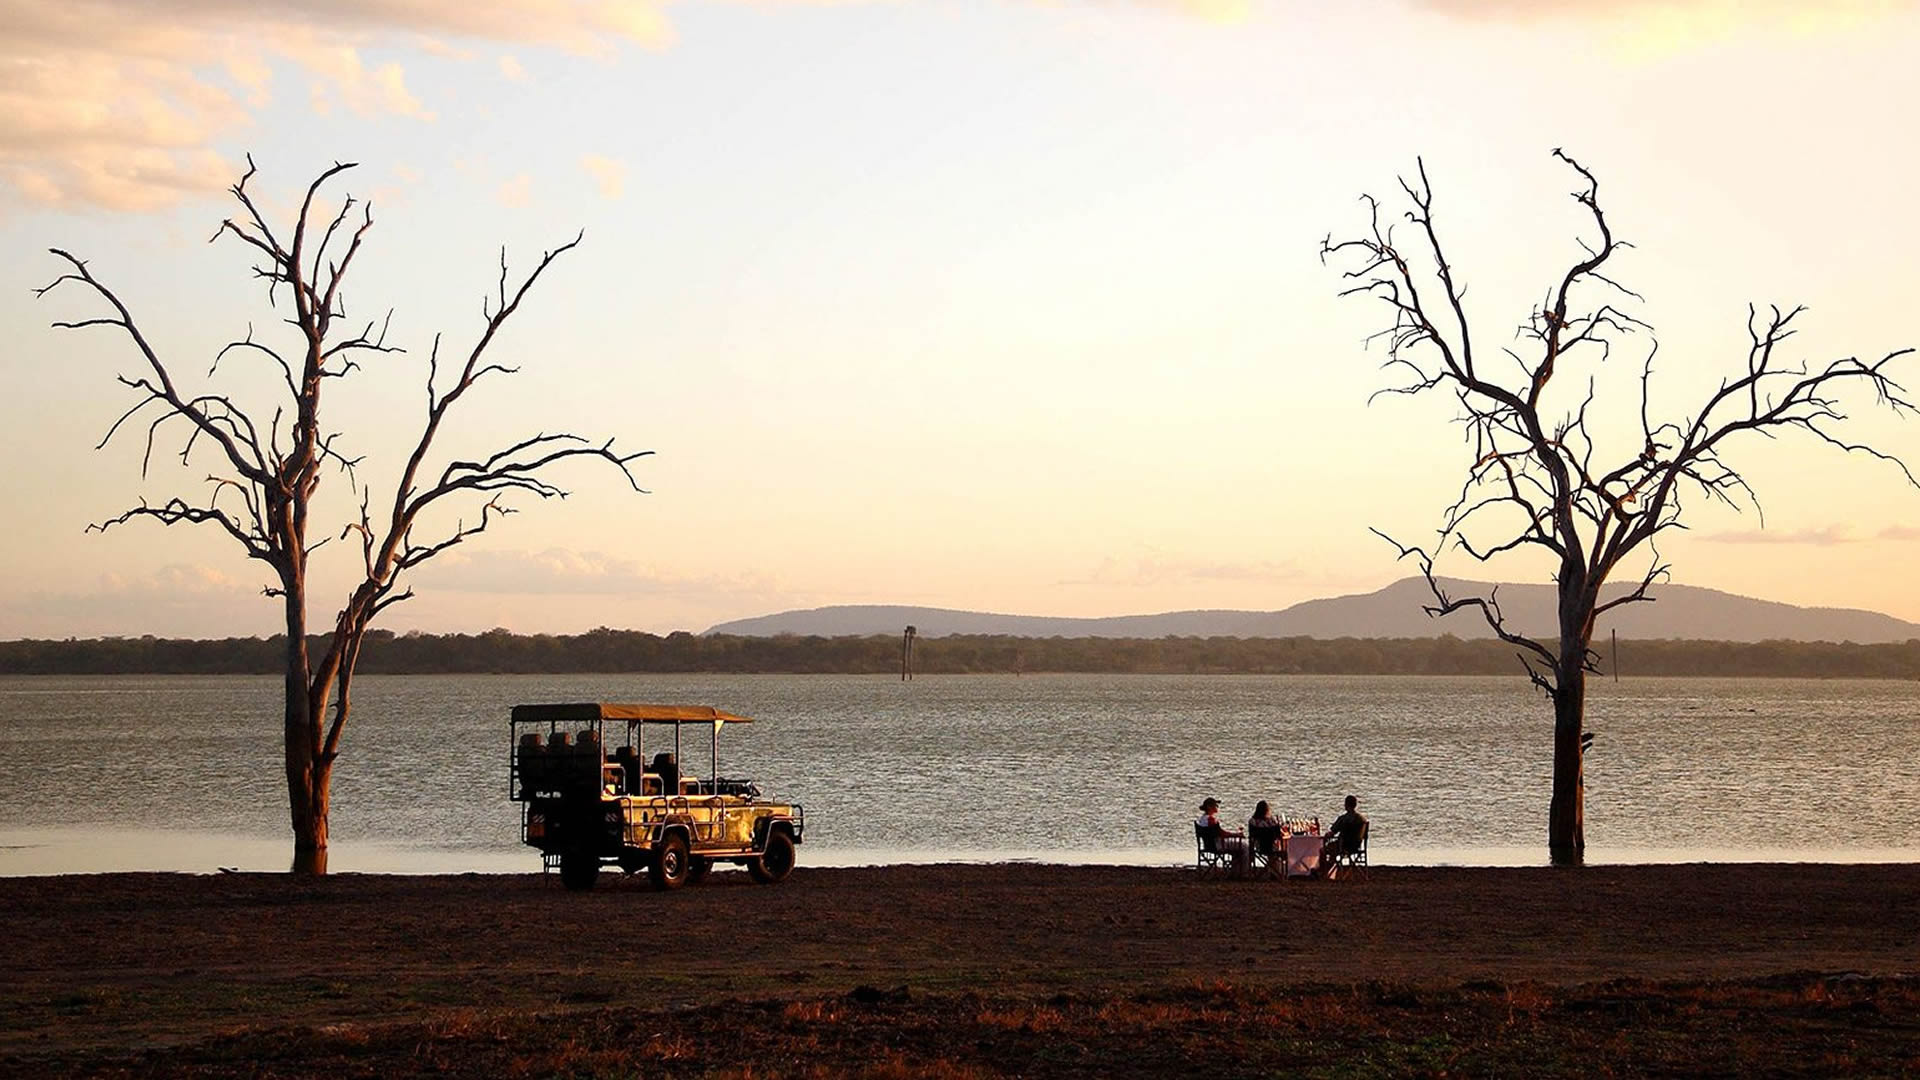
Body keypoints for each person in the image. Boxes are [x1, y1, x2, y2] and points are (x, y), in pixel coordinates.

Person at [1195, 797, 1249, 873]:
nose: (1217, 806)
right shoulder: (1211, 820)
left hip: (1209, 845)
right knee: (1245, 846)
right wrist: (1236, 835)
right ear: (1209, 807)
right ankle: (1243, 871)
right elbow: (1221, 834)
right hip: (1218, 845)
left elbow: (1219, 833)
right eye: (1215, 805)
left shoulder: (1202, 819)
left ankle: (1235, 870)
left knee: (1238, 847)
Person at [1323, 794, 1368, 862]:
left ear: (1346, 805)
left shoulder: (1343, 819)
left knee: (1324, 850)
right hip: (1356, 846)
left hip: (1343, 846)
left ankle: (1329, 869)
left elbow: (1332, 833)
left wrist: (1325, 837)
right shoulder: (1362, 819)